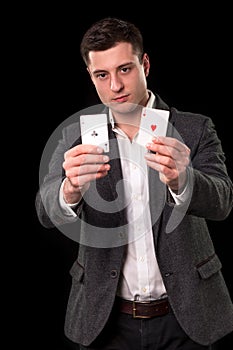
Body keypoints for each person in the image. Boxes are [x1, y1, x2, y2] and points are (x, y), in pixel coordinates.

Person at [35, 17, 233, 349]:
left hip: (188, 317)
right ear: (91, 77)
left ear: (145, 64)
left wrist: (184, 179)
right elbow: (45, 210)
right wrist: (68, 189)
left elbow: (223, 201)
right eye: (102, 75)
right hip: (106, 321)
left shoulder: (195, 129)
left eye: (125, 69)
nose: (115, 86)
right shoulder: (75, 136)